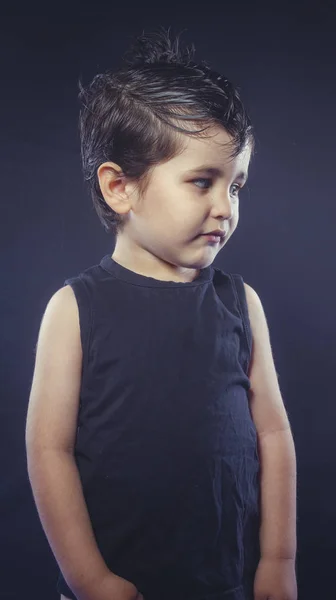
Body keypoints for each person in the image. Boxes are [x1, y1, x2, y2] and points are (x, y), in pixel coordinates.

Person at [25, 27, 297, 600]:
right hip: (119, 582)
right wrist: (91, 579)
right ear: (120, 187)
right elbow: (48, 450)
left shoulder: (240, 303)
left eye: (237, 185)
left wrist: (278, 559)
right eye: (202, 182)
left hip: (228, 578)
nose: (225, 207)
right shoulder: (75, 309)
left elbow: (272, 432)